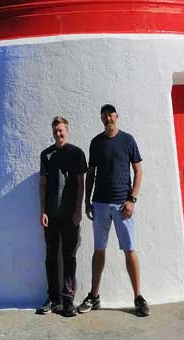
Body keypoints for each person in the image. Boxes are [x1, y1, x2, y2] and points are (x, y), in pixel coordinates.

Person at [77, 104, 150, 317]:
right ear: (101, 118)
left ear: (116, 116)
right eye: (104, 115)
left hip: (122, 205)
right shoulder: (96, 142)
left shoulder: (128, 140)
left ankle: (138, 298)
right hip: (99, 203)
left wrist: (132, 199)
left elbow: (138, 170)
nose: (108, 117)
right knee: (99, 250)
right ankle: (94, 296)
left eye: (111, 114)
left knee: (129, 249)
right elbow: (91, 173)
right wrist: (87, 202)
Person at [37, 116, 87, 316]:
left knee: (69, 257)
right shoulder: (46, 155)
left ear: (67, 130)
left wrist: (78, 209)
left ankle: (68, 301)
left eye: (61, 130)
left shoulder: (77, 153)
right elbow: (42, 184)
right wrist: (42, 211)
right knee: (51, 257)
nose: (58, 134)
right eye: (55, 131)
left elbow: (81, 183)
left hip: (70, 215)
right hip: (51, 214)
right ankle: (53, 298)